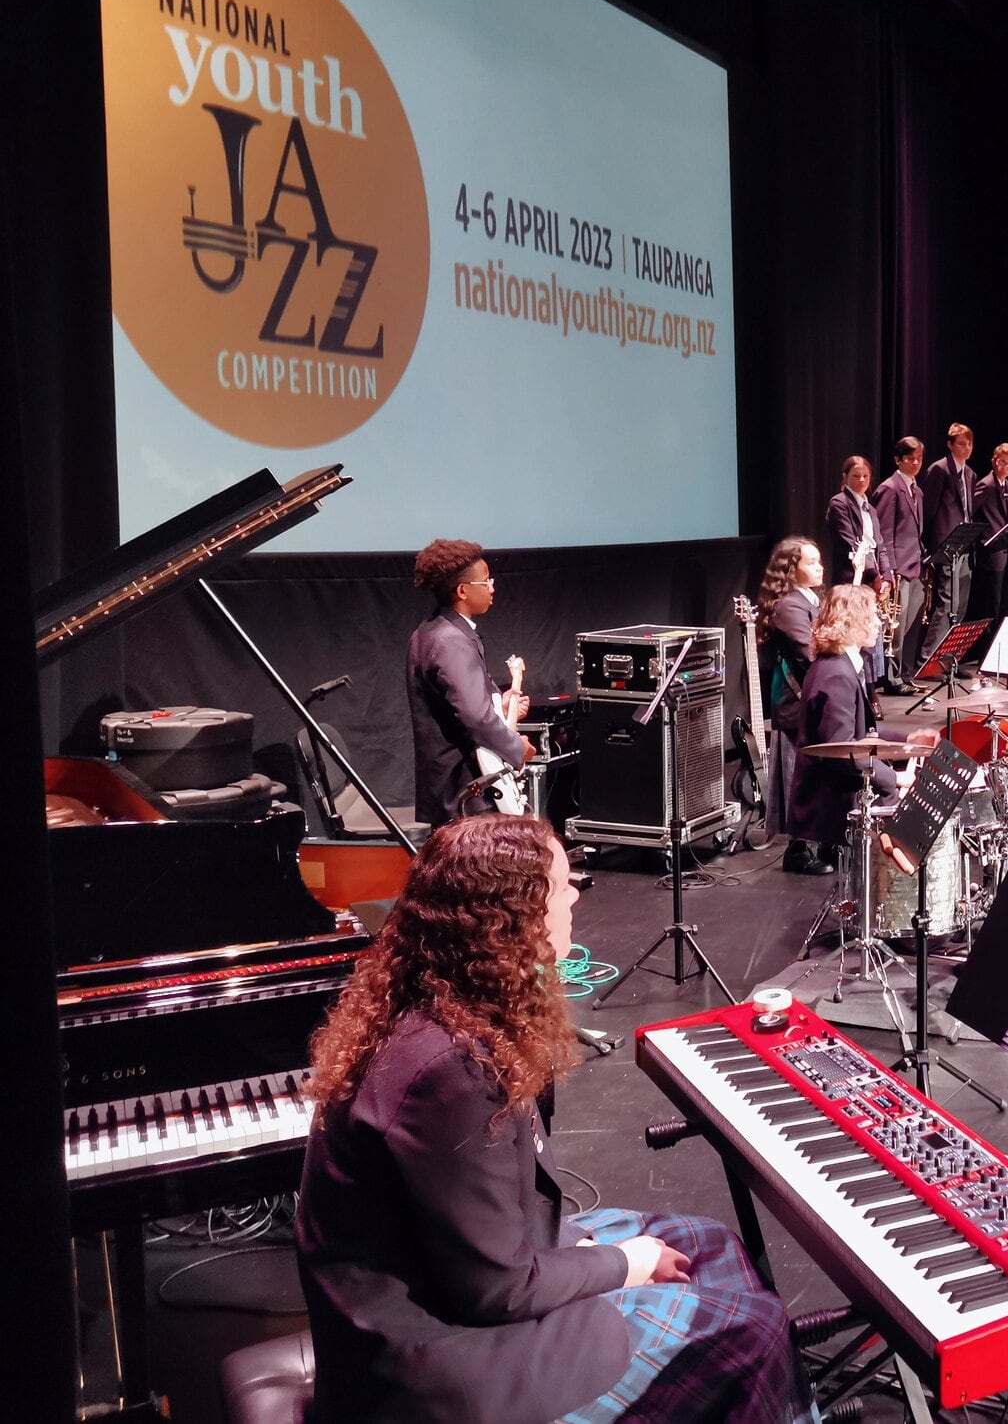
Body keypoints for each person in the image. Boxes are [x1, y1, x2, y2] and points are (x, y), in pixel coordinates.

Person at [296, 814, 816, 1424]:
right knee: (756, 1329)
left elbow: (479, 1228)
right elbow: (495, 1288)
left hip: (464, 1270)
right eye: (563, 886)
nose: (573, 897)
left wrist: (591, 1255)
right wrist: (623, 1264)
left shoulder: (444, 1006)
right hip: (432, 1363)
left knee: (711, 1242)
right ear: (513, 919)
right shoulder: (449, 1071)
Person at [407, 539, 533, 827]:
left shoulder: (432, 631)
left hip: (453, 784)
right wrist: (516, 747)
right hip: (464, 787)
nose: (492, 587)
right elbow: (475, 717)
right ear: (463, 590)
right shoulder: (451, 640)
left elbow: (457, 704)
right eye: (485, 581)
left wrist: (498, 703)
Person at [789, 585, 901, 858]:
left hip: (832, 795)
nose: (879, 622)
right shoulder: (837, 674)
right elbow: (843, 752)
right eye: (873, 615)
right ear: (850, 622)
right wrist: (896, 778)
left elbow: (860, 729)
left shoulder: (838, 664)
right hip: (828, 809)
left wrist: (909, 740)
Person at [757, 537, 831, 875]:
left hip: (811, 702)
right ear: (792, 569)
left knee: (816, 776)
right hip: (794, 705)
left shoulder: (811, 600)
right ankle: (797, 850)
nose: (820, 567)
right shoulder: (790, 606)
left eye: (818, 561)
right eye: (811, 562)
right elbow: (810, 652)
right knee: (797, 777)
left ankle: (822, 840)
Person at [823, 455, 887, 686]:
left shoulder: (869, 507)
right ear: (845, 478)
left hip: (872, 579)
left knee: (870, 634)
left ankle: (871, 689)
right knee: (854, 635)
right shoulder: (839, 503)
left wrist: (887, 576)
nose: (861, 480)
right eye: (856, 476)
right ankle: (863, 690)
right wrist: (874, 576)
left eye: (865, 476)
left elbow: (879, 543)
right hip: (852, 580)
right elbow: (850, 542)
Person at [917, 422, 977, 664]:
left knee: (959, 605)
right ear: (950, 445)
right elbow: (928, 509)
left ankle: (949, 658)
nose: (967, 448)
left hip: (963, 544)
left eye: (970, 443)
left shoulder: (969, 474)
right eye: (962, 443)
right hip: (945, 544)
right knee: (946, 602)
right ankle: (928, 659)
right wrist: (931, 545)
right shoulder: (939, 469)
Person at [871, 436, 926, 691]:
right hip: (898, 569)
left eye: (919, 459)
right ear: (898, 460)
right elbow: (884, 534)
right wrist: (889, 569)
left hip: (914, 566)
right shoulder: (890, 488)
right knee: (895, 626)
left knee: (910, 625)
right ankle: (891, 679)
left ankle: (905, 673)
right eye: (910, 459)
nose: (915, 463)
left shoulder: (917, 490)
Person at [970, 442, 1008, 622]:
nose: (1006, 467)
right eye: (1003, 462)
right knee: (990, 605)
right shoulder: (985, 485)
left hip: (1006, 554)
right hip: (990, 555)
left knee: (1007, 603)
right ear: (994, 461)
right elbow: (970, 514)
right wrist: (982, 539)